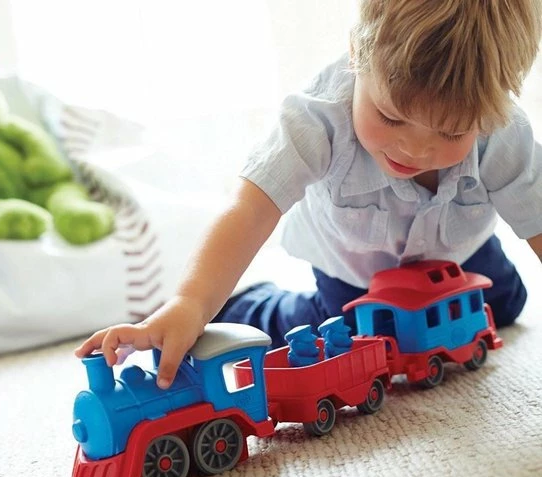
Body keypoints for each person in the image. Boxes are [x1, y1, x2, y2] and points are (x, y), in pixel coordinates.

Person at [76, 0, 542, 389]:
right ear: (357, 53)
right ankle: (254, 304)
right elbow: (249, 208)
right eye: (391, 117)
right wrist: (192, 303)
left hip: (457, 257)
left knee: (503, 306)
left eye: (451, 132)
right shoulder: (317, 119)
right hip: (354, 274)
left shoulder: (503, 132)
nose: (415, 149)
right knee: (348, 347)